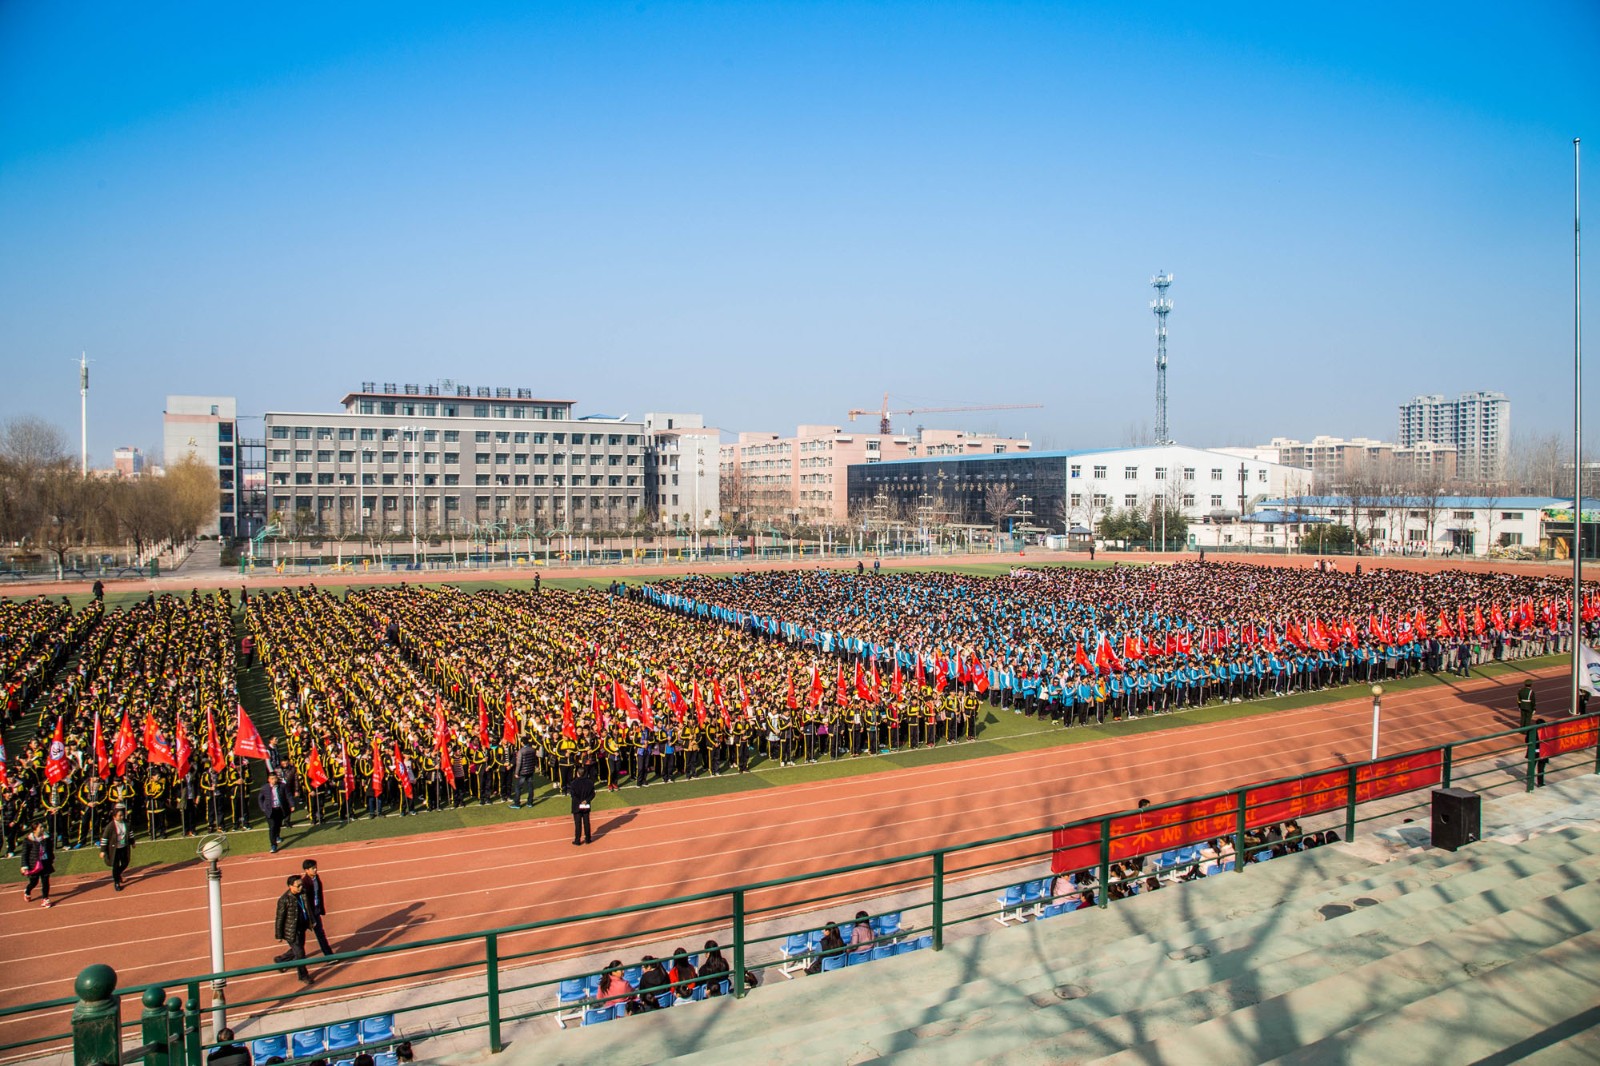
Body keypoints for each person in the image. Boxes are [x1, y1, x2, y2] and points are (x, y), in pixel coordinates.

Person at [273, 875, 313, 983]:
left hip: (302, 927)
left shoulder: (302, 894)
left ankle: (281, 960)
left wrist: (311, 921)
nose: (300, 887)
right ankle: (303, 975)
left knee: (297, 949)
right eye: (298, 885)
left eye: (301, 885)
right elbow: (279, 918)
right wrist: (279, 935)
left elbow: (307, 908)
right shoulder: (284, 900)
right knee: (300, 953)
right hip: (291, 931)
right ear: (290, 886)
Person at [300, 859, 332, 956]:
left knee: (320, 934)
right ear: (306, 870)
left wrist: (319, 908)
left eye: (315, 867)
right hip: (307, 914)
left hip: (315, 911)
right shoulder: (304, 883)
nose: (315, 870)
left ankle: (329, 955)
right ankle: (283, 959)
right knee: (300, 940)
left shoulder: (316, 878)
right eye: (312, 868)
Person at [21, 822, 55, 908]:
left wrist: (52, 858)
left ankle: (45, 899)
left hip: (45, 862)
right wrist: (24, 866)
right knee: (34, 882)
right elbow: (24, 854)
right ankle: (27, 891)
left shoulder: (47, 838)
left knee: (45, 881)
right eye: (41, 827)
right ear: (35, 829)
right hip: (34, 864)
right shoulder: (28, 840)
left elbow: (50, 850)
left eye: (43, 827)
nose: (43, 829)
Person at [259, 771, 292, 853]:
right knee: (272, 826)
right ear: (269, 780)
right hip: (270, 810)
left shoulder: (282, 786)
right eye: (272, 779)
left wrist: (292, 804)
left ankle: (277, 835)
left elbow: (288, 795)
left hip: (279, 809)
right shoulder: (265, 788)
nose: (274, 780)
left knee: (278, 824)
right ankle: (273, 845)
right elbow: (260, 798)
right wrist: (263, 808)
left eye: (275, 778)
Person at [102, 806, 134, 891]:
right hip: (114, 849)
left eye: (122, 815)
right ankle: (116, 882)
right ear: (114, 817)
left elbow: (130, 833)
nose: (122, 817)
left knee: (125, 863)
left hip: (124, 847)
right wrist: (103, 851)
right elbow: (104, 839)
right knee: (115, 866)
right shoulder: (110, 826)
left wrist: (132, 842)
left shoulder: (126, 823)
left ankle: (117, 874)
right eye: (120, 815)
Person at [567, 763, 595, 846]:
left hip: (577, 806)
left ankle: (577, 840)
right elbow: (593, 794)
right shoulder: (590, 782)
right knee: (586, 822)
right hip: (586, 805)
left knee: (578, 823)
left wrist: (580, 801)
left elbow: (573, 795)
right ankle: (588, 838)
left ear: (577, 774)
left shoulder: (574, 783)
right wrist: (586, 801)